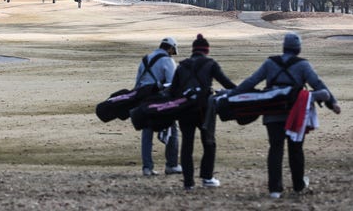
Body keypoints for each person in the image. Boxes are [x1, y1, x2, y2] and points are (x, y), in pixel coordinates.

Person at [234, 32, 341, 199]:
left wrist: (233, 94)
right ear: (298, 49)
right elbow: (317, 84)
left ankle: (275, 189)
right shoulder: (303, 65)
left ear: (284, 47)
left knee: (275, 149)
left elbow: (251, 81)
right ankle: (298, 185)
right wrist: (332, 102)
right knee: (296, 149)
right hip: (296, 115)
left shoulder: (270, 63)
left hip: (272, 113)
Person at [170, 34, 236, 190]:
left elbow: (173, 91)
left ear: (193, 50)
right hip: (204, 109)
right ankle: (207, 177)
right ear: (206, 50)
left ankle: (188, 182)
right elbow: (227, 83)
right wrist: (244, 91)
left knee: (187, 145)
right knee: (209, 143)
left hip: (184, 109)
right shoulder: (210, 64)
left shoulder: (182, 65)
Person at [135, 37, 182, 176]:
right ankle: (172, 165)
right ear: (170, 48)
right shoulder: (168, 61)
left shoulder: (145, 59)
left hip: (144, 99)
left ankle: (147, 167)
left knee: (147, 132)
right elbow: (172, 85)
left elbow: (138, 83)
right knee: (172, 130)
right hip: (160, 100)